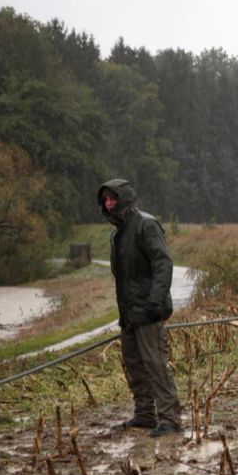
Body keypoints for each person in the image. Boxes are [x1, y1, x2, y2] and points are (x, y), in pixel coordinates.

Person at [98, 179, 182, 437]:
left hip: (149, 312)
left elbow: (163, 264)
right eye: (105, 200)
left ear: (124, 198)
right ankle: (145, 414)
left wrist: (155, 302)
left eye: (113, 198)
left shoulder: (146, 225)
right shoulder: (117, 235)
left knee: (156, 365)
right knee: (134, 366)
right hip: (129, 315)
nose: (109, 204)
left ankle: (170, 419)